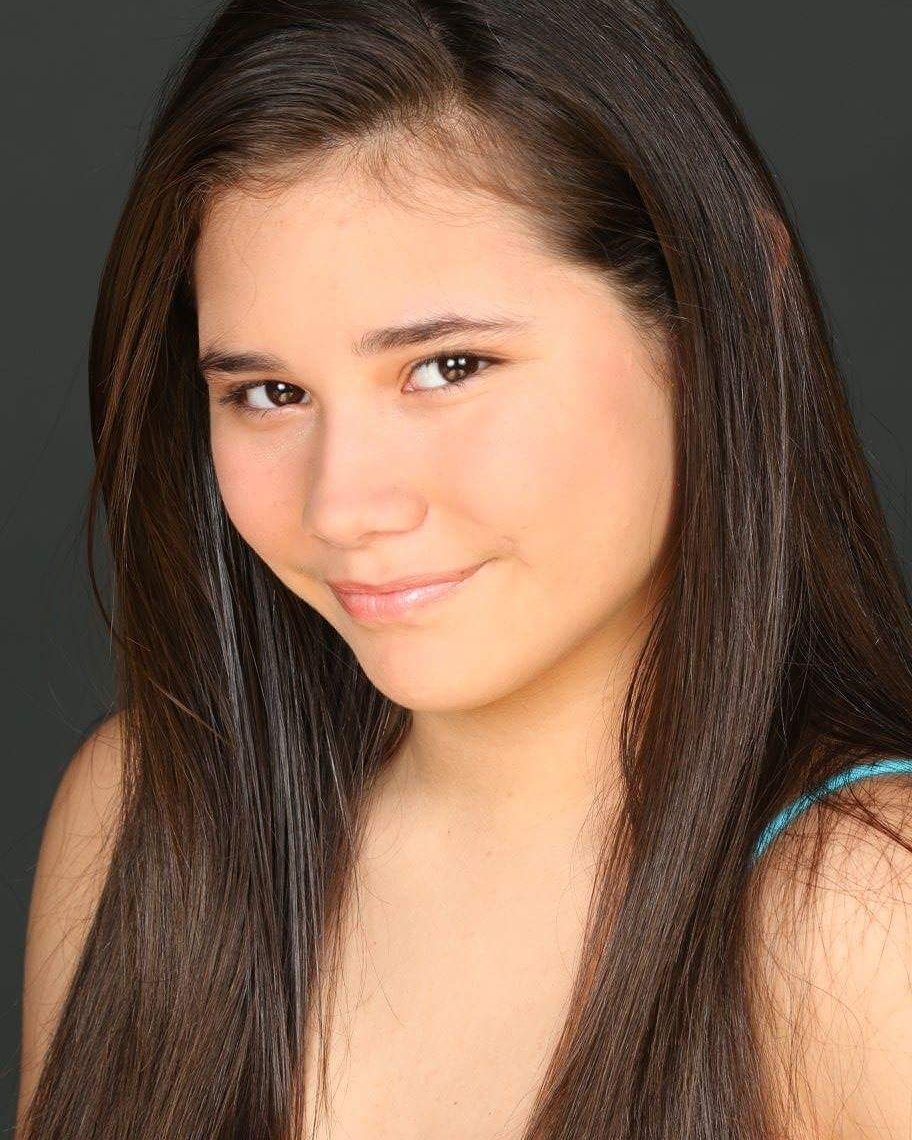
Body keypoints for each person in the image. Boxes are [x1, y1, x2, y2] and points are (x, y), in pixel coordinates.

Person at [16, 1, 912, 1138]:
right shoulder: (141, 812)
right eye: (269, 394)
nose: (345, 506)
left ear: (724, 306)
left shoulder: (867, 918)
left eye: (448, 367)